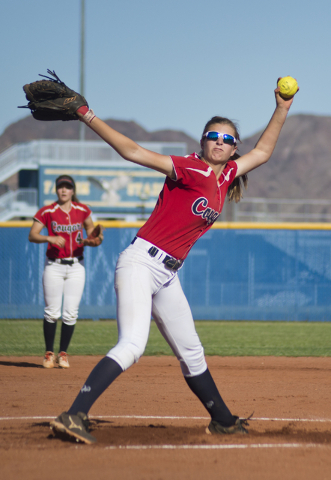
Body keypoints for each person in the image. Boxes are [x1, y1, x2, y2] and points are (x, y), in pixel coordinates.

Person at [50, 78, 298, 443]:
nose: (220, 142)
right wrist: (86, 115)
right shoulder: (188, 168)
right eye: (213, 135)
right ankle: (73, 414)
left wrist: (282, 108)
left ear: (233, 150)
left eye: (228, 139)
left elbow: (262, 153)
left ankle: (223, 420)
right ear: (202, 141)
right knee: (133, 344)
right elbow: (132, 151)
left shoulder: (227, 174)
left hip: (167, 275)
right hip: (140, 263)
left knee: (192, 351)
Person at [28, 175, 104, 369]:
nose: (64, 190)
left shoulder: (82, 210)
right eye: (60, 187)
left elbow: (94, 236)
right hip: (54, 265)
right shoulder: (47, 211)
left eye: (67, 187)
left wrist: (93, 240)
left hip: (77, 266)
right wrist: (49, 239)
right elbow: (32, 235)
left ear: (73, 191)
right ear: (56, 190)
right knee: (52, 312)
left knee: (70, 313)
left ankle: (63, 354)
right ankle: (48, 353)